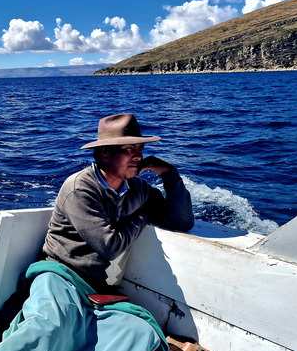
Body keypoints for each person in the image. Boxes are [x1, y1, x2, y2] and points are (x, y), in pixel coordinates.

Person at [41, 113, 194, 293]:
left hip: (97, 289)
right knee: (50, 319)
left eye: (140, 148)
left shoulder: (139, 188)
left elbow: (182, 222)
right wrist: (143, 216)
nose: (138, 156)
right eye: (130, 148)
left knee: (142, 322)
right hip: (58, 277)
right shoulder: (80, 189)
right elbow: (109, 247)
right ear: (105, 153)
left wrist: (169, 173)